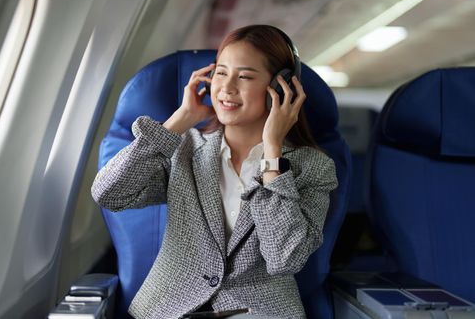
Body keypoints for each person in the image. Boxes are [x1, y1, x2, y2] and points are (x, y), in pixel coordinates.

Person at [91, 25, 338, 319]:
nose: (227, 87)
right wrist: (180, 121)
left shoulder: (312, 167)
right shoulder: (184, 149)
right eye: (221, 72)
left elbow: (284, 258)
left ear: (280, 88)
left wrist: (272, 153)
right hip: (171, 310)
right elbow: (109, 194)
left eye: (245, 76)